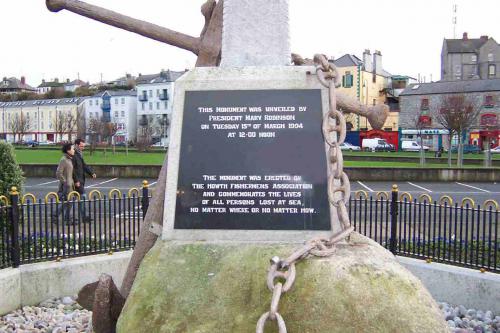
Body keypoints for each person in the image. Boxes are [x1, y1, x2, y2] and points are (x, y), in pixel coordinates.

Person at [72, 138, 96, 223]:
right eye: (82, 146)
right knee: (82, 197)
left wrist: (91, 173)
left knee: (71, 200)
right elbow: (72, 170)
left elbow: (83, 165)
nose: (83, 148)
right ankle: (83, 217)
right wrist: (76, 181)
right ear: (77, 145)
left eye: (83, 146)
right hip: (77, 182)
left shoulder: (79, 154)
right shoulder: (73, 154)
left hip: (80, 180)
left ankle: (57, 215)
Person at [54, 143, 75, 223]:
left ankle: (64, 217)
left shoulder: (69, 159)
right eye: (72, 149)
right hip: (67, 185)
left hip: (71, 185)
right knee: (68, 202)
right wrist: (65, 182)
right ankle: (59, 216)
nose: (74, 150)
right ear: (68, 150)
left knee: (69, 202)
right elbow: (58, 173)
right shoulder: (63, 160)